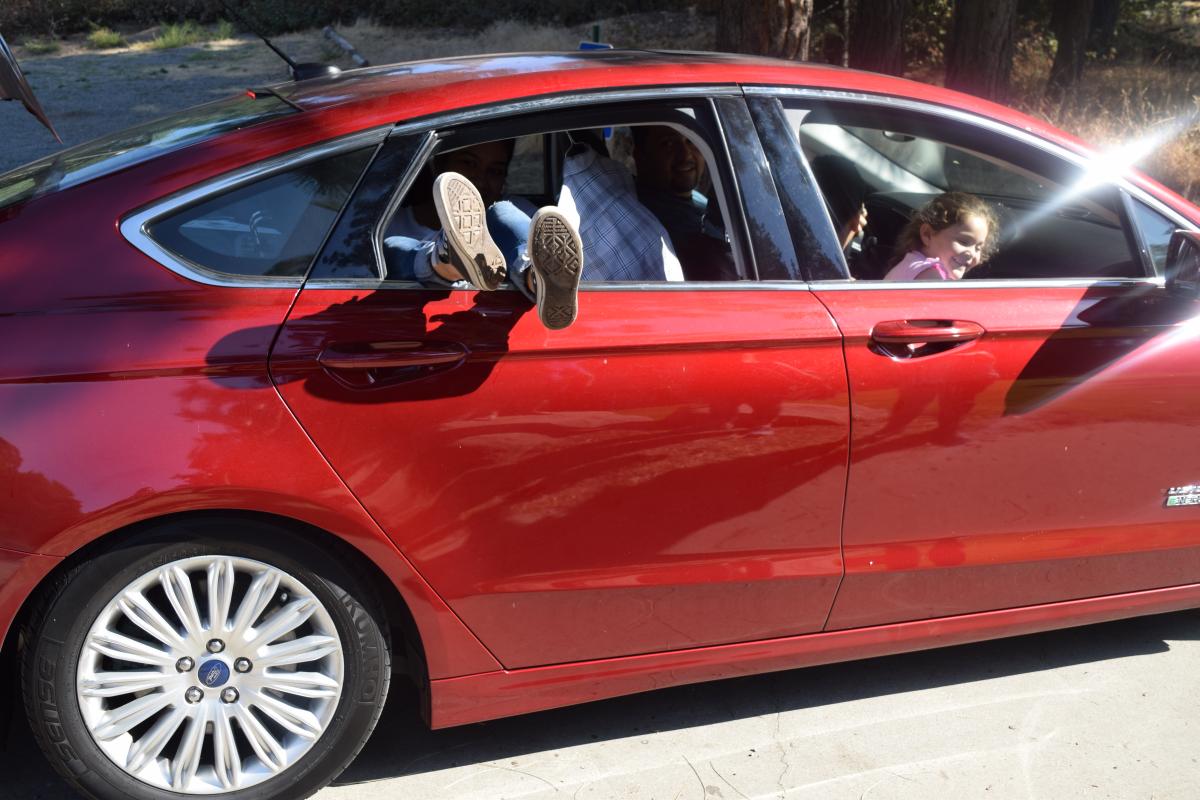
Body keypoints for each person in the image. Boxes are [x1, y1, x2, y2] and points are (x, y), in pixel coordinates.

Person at [383, 140, 584, 330]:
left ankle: (538, 277)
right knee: (393, 245)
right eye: (468, 163)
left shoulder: (515, 210)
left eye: (495, 171)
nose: (480, 179)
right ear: (439, 164)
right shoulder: (388, 224)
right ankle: (451, 257)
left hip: (478, 326)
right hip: (436, 305)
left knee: (502, 212)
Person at [630, 125, 735, 281]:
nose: (685, 154)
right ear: (640, 156)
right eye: (668, 143)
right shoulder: (659, 226)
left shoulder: (695, 200)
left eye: (691, 140)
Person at [883, 192, 998, 281]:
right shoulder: (930, 276)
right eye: (963, 242)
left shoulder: (911, 263)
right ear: (927, 234)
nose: (972, 253)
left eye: (978, 248)